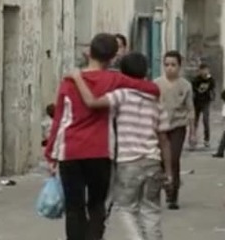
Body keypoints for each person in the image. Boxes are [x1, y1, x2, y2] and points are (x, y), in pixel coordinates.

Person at [45, 33, 160, 240]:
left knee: (74, 207)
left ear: (89, 52)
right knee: (97, 205)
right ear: (114, 58)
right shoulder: (115, 80)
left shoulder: (69, 83)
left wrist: (50, 154)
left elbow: (59, 120)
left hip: (70, 151)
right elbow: (150, 88)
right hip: (100, 151)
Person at [70, 52, 173, 240]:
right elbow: (164, 139)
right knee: (151, 211)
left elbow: (92, 102)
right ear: (147, 71)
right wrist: (169, 172)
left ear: (122, 74)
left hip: (128, 163)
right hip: (153, 162)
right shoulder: (156, 101)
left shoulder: (121, 95)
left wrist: (78, 78)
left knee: (126, 209)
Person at [154, 50, 195, 210]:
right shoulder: (156, 84)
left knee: (174, 158)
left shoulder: (185, 86)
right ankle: (165, 186)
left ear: (179, 66)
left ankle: (173, 195)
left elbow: (190, 109)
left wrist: (192, 132)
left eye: (173, 65)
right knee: (161, 161)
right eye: (167, 65)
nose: (170, 68)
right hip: (160, 127)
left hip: (178, 126)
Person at [192, 63, 215, 147]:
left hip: (206, 102)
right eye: (203, 70)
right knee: (195, 121)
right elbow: (193, 91)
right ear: (200, 71)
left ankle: (206, 139)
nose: (205, 72)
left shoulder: (210, 79)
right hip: (196, 102)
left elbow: (212, 89)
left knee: (205, 120)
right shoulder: (196, 80)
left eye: (206, 70)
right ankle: (193, 138)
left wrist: (213, 97)